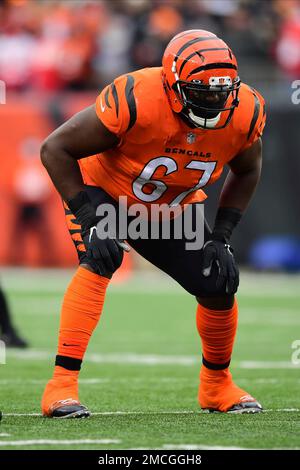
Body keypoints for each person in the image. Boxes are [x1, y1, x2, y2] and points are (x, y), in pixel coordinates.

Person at [40, 29, 266, 418]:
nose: (213, 101)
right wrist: (90, 218)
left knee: (217, 281)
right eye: (202, 91)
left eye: (220, 91)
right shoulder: (136, 97)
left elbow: (247, 170)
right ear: (172, 83)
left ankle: (216, 386)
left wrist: (222, 236)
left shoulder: (245, 111)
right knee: (102, 259)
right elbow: (55, 148)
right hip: (106, 192)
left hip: (170, 209)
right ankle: (60, 387)